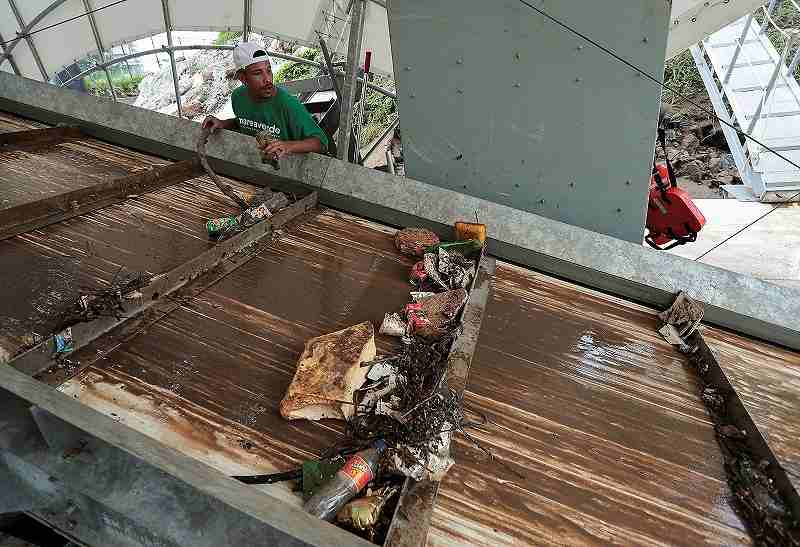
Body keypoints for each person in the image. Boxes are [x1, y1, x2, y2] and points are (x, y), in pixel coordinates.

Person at [202, 42, 328, 159]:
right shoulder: (238, 97)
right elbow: (244, 122)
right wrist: (223, 123)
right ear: (243, 78)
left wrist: (287, 146)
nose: (267, 79)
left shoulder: (288, 105)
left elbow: (320, 143)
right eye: (258, 73)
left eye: (268, 70)